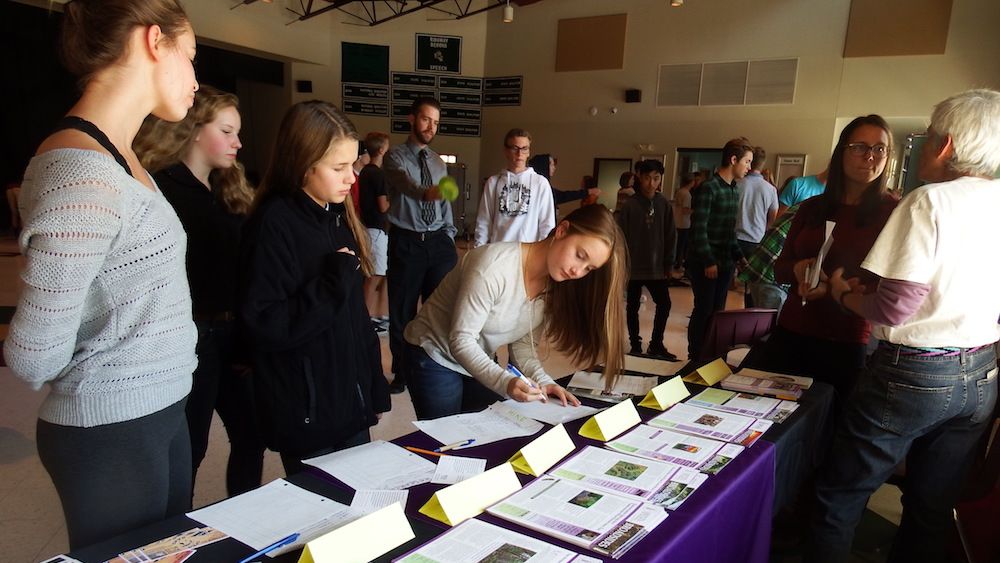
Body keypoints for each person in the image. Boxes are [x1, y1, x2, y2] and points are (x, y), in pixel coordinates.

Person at [3, 0, 199, 548]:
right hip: (111, 425)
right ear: (154, 41)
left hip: (157, 407)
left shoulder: (117, 157)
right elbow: (32, 353)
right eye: (191, 56)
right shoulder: (81, 174)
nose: (195, 79)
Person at [811, 89, 1000, 563]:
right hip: (981, 371)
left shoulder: (928, 202)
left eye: (930, 135)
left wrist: (841, 292)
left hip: (915, 373)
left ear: (946, 145)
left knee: (840, 495)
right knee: (930, 505)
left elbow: (895, 308)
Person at [239, 101, 391, 476]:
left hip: (348, 402)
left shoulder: (334, 214)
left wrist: (372, 384)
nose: (351, 178)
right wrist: (332, 279)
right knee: (325, 514)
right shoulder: (273, 223)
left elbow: (354, 317)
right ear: (303, 163)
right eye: (339, 168)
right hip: (308, 408)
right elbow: (265, 323)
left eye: (352, 165)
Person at [134, 85, 264, 497]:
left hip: (232, 335)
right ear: (193, 129)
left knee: (252, 434)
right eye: (227, 131)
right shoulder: (159, 189)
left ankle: (244, 520)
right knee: (190, 447)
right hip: (189, 338)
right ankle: (179, 537)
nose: (237, 142)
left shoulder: (232, 191)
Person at [404, 204, 628, 420]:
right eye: (580, 255)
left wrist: (544, 381)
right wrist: (505, 382)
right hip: (434, 353)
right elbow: (461, 340)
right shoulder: (494, 265)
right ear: (562, 230)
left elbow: (523, 346)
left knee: (486, 432)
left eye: (588, 268)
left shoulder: (553, 285)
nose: (577, 271)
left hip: (476, 354)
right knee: (446, 440)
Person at [754, 115, 898, 399]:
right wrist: (798, 269)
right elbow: (779, 270)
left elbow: (897, 288)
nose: (870, 156)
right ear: (841, 152)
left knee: (830, 424)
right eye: (859, 147)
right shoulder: (811, 207)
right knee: (772, 419)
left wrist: (840, 289)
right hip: (794, 329)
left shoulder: (894, 213)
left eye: (879, 149)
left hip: (849, 338)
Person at [382, 97, 458, 394]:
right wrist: (426, 193)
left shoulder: (439, 162)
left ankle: (434, 364)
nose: (431, 127)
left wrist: (449, 238)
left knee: (438, 310)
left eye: (436, 122)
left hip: (438, 243)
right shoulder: (395, 157)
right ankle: (402, 373)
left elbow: (446, 204)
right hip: (406, 243)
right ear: (412, 119)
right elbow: (403, 184)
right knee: (402, 312)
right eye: (426, 119)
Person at [686, 138, 753, 361]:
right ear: (733, 159)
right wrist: (708, 261)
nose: (749, 167)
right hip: (706, 264)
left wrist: (740, 258)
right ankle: (696, 357)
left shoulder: (733, 190)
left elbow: (728, 232)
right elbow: (698, 229)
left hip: (725, 263)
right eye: (747, 161)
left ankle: (712, 356)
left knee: (718, 313)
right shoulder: (709, 188)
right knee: (704, 311)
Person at [617, 159, 679, 361]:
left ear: (660, 180)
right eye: (646, 178)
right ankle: (635, 344)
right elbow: (620, 236)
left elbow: (671, 235)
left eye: (656, 178)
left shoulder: (664, 205)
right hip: (633, 266)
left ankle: (656, 343)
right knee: (632, 305)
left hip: (656, 267)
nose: (651, 183)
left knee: (665, 303)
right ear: (639, 178)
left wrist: (669, 263)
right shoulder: (630, 206)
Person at [473, 128, 555, 247]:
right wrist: (478, 251)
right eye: (515, 148)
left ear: (528, 152)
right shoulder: (493, 182)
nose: (519, 153)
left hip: (528, 254)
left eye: (524, 148)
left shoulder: (540, 183)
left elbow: (547, 225)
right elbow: (484, 221)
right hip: (498, 251)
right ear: (506, 151)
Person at [735, 203, 800, 313]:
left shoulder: (805, 206)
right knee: (768, 326)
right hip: (773, 277)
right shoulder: (817, 213)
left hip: (760, 268)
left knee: (758, 322)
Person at [735, 146, 779, 306]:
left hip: (735, 239)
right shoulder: (770, 190)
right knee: (752, 286)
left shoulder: (737, 185)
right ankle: (749, 313)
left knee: (726, 282)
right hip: (757, 241)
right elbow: (772, 220)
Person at [359, 131, 391, 333]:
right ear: (381, 150)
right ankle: (366, 318)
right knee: (374, 277)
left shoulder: (364, 172)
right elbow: (383, 206)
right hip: (376, 230)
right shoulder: (377, 174)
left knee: (383, 274)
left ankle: (380, 316)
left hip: (371, 228)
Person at [527, 153, 600, 218]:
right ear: (544, 166)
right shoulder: (537, 186)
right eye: (552, 165)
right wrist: (588, 192)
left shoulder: (540, 183)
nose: (554, 168)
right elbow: (561, 196)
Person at [672, 172, 696, 274]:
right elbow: (685, 210)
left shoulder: (679, 191)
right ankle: (679, 264)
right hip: (684, 223)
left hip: (677, 221)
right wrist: (695, 210)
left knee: (678, 245)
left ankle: (676, 263)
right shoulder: (687, 194)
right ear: (691, 182)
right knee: (682, 246)